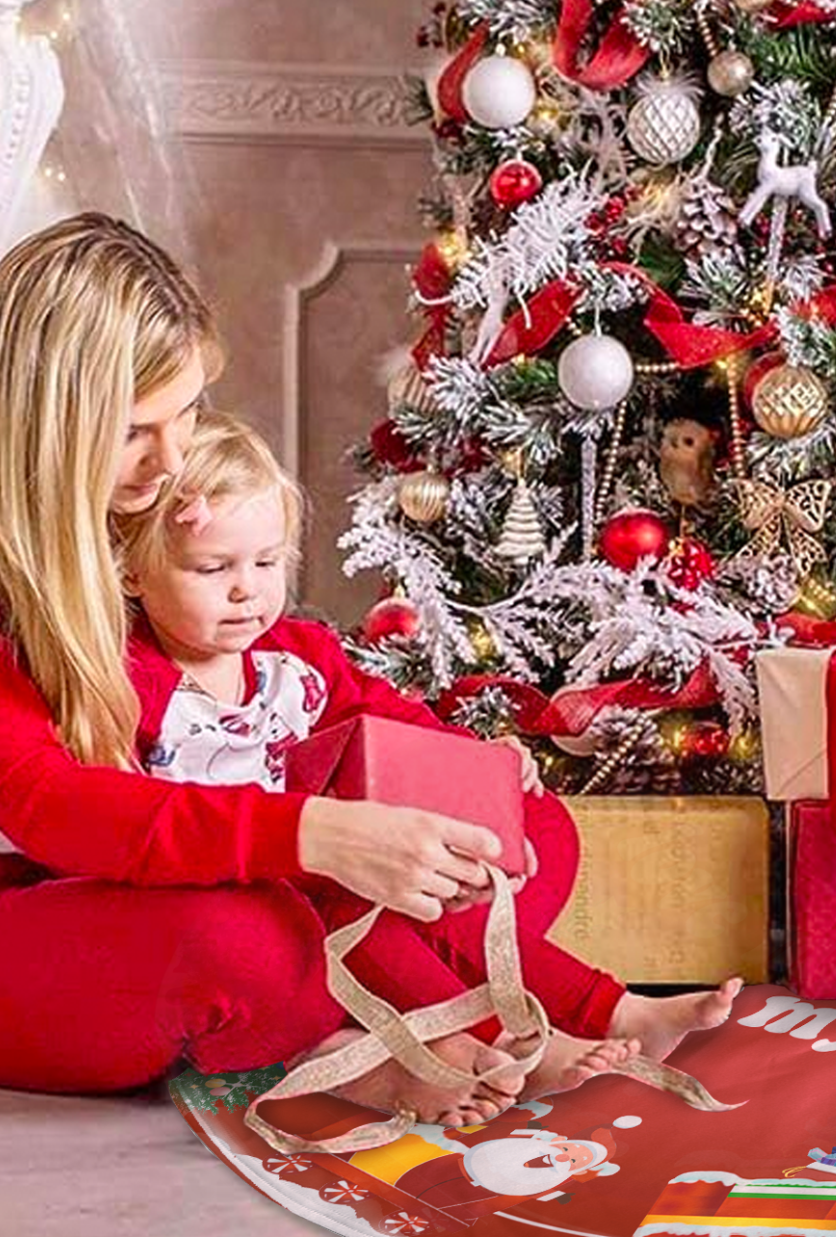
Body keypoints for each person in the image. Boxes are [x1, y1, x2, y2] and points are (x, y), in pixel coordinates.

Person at [0, 212, 733, 1125]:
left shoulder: (130, 488)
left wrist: (451, 788)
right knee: (254, 942)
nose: (174, 455)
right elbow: (50, 806)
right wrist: (319, 836)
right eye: (139, 428)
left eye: (187, 411)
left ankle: (420, 1029)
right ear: (51, 422)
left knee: (517, 834)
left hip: (138, 868)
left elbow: (283, 673)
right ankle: (369, 1041)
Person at [115, 409, 740, 1123]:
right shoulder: (135, 684)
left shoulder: (298, 654)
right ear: (133, 569)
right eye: (212, 567)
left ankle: (615, 1007)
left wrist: (472, 765)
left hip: (355, 865)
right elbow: (133, 819)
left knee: (499, 854)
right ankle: (497, 1041)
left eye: (265, 563)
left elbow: (391, 716)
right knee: (375, 914)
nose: (246, 590)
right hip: (266, 900)